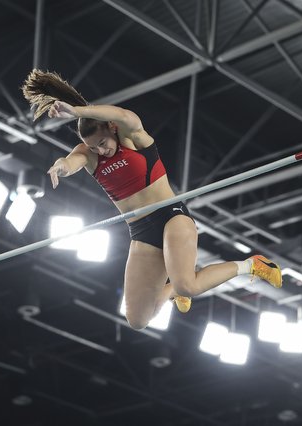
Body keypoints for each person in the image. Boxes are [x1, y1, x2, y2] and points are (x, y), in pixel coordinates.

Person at [22, 70, 282, 330]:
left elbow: (122, 115)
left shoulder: (131, 136)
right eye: (93, 147)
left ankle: (251, 265)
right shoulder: (88, 154)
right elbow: (71, 161)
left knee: (187, 285)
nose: (100, 150)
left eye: (102, 143)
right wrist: (60, 167)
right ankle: (172, 292)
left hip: (171, 216)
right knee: (137, 320)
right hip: (141, 231)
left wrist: (78, 112)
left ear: (111, 129)